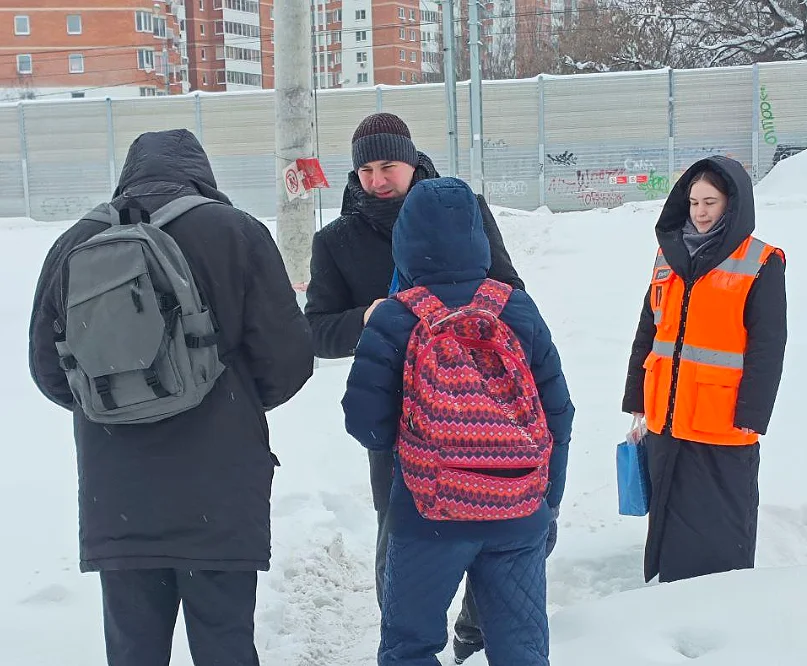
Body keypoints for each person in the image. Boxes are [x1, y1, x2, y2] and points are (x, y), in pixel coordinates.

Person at [28, 129, 314, 666]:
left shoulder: (74, 242)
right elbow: (290, 358)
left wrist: (120, 402)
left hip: (118, 499)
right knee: (225, 644)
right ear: (201, 174)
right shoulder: (236, 233)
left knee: (134, 651)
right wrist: (234, 400)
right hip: (219, 489)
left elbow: (48, 369)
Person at [305, 112, 524, 663]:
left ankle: (475, 630)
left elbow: (511, 293)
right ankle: (404, 638)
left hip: (485, 405)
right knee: (399, 539)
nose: (378, 179)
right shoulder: (337, 241)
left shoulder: (462, 211)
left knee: (493, 521)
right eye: (367, 169)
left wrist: (455, 313)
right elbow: (316, 330)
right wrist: (369, 316)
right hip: (401, 415)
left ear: (412, 160)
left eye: (389, 165)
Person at [342, 177, 574, 666]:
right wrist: (546, 499)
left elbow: (365, 424)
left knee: (410, 647)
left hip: (430, 513)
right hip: (517, 509)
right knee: (522, 650)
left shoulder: (395, 318)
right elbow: (559, 412)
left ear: (405, 239)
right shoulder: (517, 307)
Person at [622, 156, 786, 584]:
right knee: (669, 515)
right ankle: (667, 588)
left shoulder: (761, 262)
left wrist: (751, 414)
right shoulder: (667, 256)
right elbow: (648, 330)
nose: (700, 211)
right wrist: (637, 398)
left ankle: (718, 612)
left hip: (722, 419)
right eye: (694, 201)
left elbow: (768, 345)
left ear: (732, 203)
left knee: (717, 527)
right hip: (666, 416)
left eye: (710, 201)